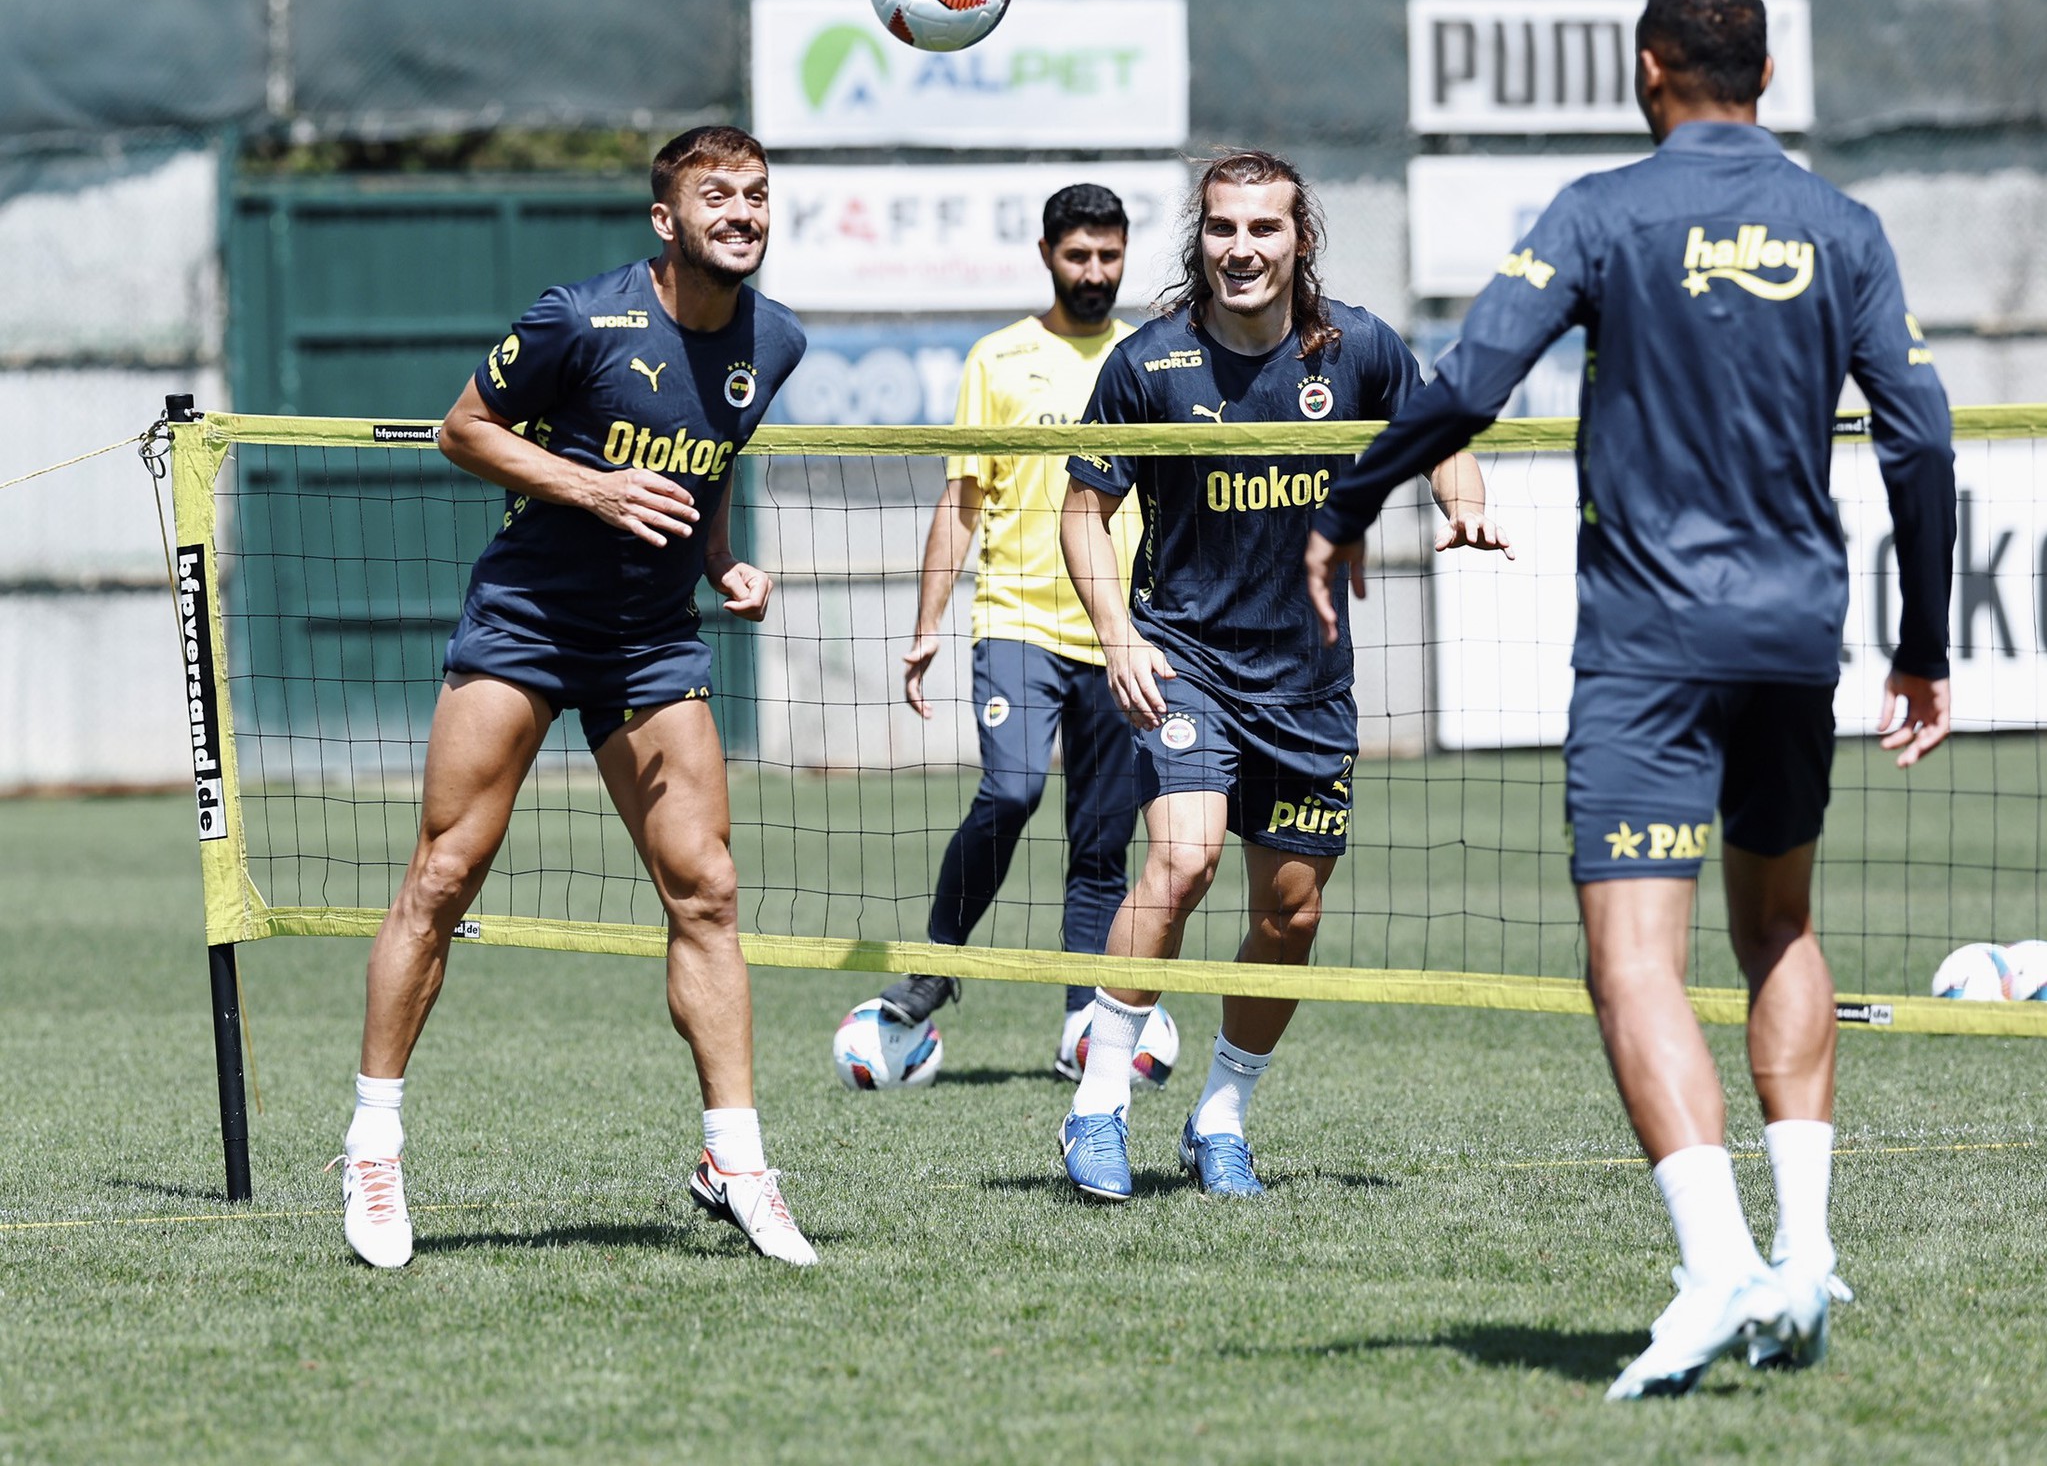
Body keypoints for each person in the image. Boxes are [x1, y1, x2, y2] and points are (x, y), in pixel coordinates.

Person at [1303, 0, 1956, 1398]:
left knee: (1632, 961)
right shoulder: (1837, 226)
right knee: (1777, 925)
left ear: (1647, 67)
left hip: (1650, 644)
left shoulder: (1602, 211)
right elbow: (1916, 436)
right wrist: (1921, 644)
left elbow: (1466, 378)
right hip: (1794, 636)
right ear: (1764, 74)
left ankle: (1718, 1265)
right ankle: (1803, 1258)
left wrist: (1343, 508)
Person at [337, 126, 818, 1270]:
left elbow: (711, 466)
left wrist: (721, 564)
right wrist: (591, 490)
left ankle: (736, 1161)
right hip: (525, 624)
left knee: (706, 891)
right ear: (667, 220)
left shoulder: (777, 341)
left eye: (757, 197)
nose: (742, 213)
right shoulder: (580, 317)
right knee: (445, 874)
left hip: (651, 642)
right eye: (718, 197)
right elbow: (465, 431)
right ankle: (373, 1142)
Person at [1057, 150, 1508, 1202]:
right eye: (1222, 229)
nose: (1242, 249)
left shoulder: (1353, 347)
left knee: (1290, 915)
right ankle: (1097, 1109)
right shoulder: (1146, 364)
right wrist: (1118, 636)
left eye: (1263, 229)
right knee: (1182, 861)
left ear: (1299, 237)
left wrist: (1463, 495)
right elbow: (1083, 513)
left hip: (1308, 682)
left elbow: (1442, 426)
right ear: (1198, 240)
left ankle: (1218, 1120)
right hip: (1188, 661)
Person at [879, 184, 1157, 1077]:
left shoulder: (1154, 360)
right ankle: (936, 966)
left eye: (1108, 256)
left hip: (1122, 633)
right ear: (1046, 254)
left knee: (1103, 837)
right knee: (1009, 793)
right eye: (1078, 256)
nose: (1094, 273)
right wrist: (927, 621)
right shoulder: (998, 359)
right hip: (1016, 621)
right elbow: (961, 501)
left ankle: (1086, 1021)